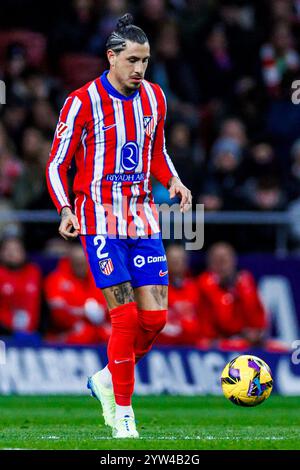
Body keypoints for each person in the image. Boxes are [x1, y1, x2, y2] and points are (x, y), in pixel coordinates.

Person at [46, 13, 192, 438]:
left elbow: (157, 152)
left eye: (145, 61)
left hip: (143, 218)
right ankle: (124, 414)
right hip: (100, 220)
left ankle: (107, 378)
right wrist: (65, 209)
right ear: (111, 57)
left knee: (156, 320)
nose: (139, 69)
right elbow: (57, 162)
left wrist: (175, 181)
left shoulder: (155, 99)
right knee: (125, 318)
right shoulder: (81, 101)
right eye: (132, 60)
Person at [197, 242, 267, 349]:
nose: (222, 265)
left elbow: (258, 318)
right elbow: (224, 321)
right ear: (209, 263)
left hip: (246, 341)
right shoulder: (204, 284)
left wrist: (255, 332)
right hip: (215, 342)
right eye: (217, 261)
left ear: (234, 260)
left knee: (280, 348)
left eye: (225, 260)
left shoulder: (245, 282)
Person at [44, 242, 110, 345]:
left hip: (97, 329)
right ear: (70, 261)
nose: (80, 266)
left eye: (83, 263)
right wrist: (83, 313)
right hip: (65, 332)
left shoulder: (100, 277)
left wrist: (102, 312)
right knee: (82, 334)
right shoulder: (56, 279)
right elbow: (58, 315)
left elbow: (111, 306)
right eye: (77, 263)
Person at [156, 244, 200, 346]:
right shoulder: (154, 289)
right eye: (172, 260)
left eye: (180, 259)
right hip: (162, 347)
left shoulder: (195, 287)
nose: (176, 263)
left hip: (192, 346)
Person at [0, 236, 42, 336]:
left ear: (24, 252)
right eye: (7, 250)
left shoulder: (34, 272)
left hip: (33, 334)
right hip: (4, 335)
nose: (11, 254)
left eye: (16, 250)